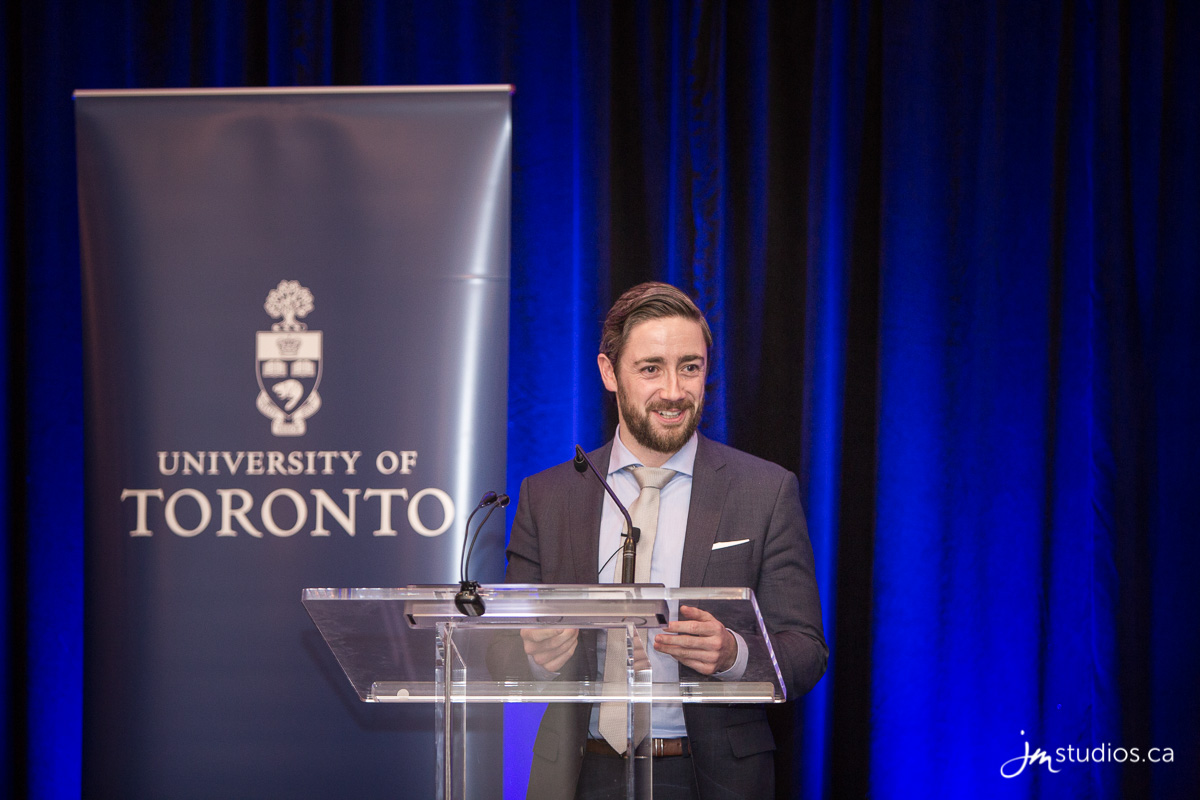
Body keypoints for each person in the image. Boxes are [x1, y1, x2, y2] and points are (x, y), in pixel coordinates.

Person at [504, 282, 827, 799]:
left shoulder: (765, 491)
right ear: (610, 373)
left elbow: (806, 651)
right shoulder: (548, 496)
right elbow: (500, 649)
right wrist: (534, 653)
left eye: (691, 367)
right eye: (651, 368)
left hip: (708, 777)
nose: (674, 390)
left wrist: (734, 655)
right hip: (578, 775)